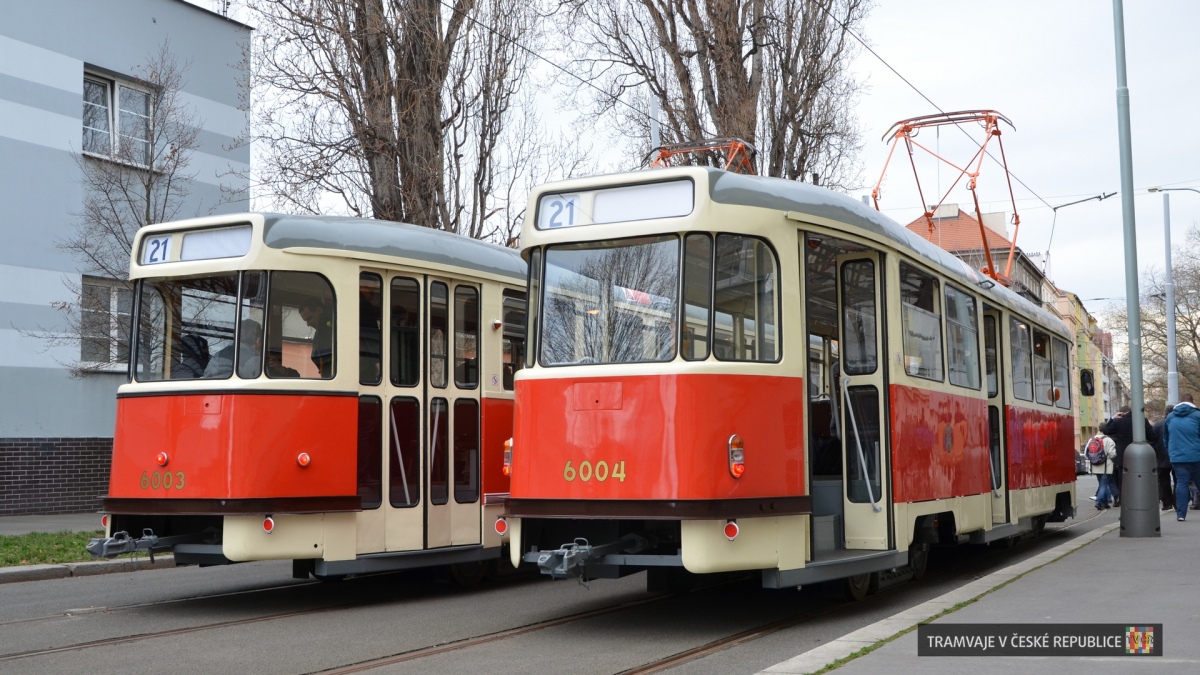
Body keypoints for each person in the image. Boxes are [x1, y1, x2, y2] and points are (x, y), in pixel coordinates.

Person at [1100, 404, 1157, 507]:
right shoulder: (1142, 420)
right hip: (1140, 456)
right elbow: (1153, 437)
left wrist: (1113, 418)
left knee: (1123, 481)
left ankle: (1124, 502)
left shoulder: (1118, 422)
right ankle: (1141, 500)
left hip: (1123, 456)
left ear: (1122, 413)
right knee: (1140, 478)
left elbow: (1106, 430)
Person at [1163, 392, 1200, 521]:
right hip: (1196, 455)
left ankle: (1181, 514)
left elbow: (1166, 438)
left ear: (1180, 401)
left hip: (1177, 456)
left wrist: (1171, 451)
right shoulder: (1198, 415)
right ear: (1192, 402)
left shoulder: (1170, 417)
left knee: (1181, 483)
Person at [299, 297, 334, 378]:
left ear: (319, 311)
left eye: (309, 318)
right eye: (306, 321)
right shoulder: (320, 332)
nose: (308, 324)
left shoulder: (332, 328)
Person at [1152, 404, 1175, 511]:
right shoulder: (1176, 423)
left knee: (1163, 480)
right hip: (1176, 455)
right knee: (1179, 480)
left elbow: (1152, 439)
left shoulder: (1158, 425)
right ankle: (1178, 503)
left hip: (1161, 456)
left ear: (1165, 413)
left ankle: (1167, 503)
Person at [1087, 432, 1118, 510]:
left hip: (1095, 465)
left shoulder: (1091, 440)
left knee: (1101, 484)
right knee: (1103, 485)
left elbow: (1087, 453)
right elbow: (1112, 454)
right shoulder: (1108, 440)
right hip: (1106, 467)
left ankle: (1105, 503)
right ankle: (1098, 502)